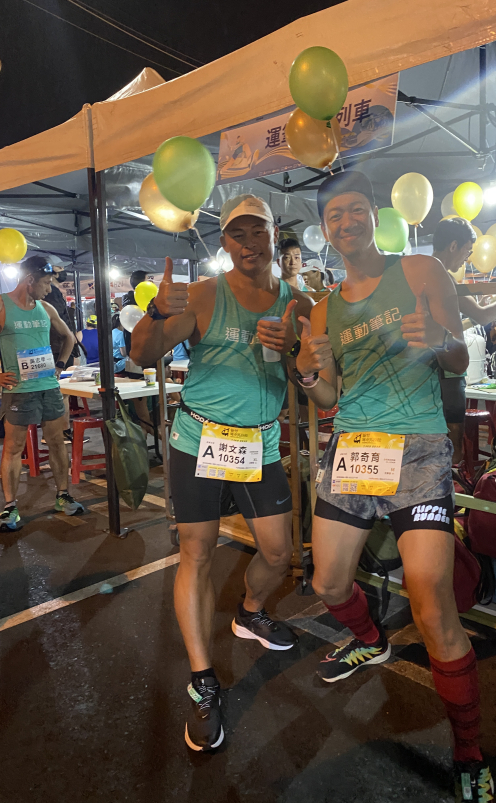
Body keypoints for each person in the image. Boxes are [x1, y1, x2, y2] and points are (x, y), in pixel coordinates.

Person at [289, 172, 494, 802]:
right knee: (328, 583)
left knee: (431, 601)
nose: (345, 222)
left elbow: (460, 359)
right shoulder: (323, 308)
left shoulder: (423, 270)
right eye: (334, 216)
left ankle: (469, 751)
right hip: (353, 447)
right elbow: (330, 394)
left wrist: (439, 341)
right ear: (325, 230)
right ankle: (371, 640)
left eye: (355, 210)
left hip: (419, 450)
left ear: (374, 214)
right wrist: (306, 373)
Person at [130, 193, 313, 752]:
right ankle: (202, 680)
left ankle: (250, 613)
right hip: (199, 439)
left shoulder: (301, 302)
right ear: (224, 242)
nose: (249, 243)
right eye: (238, 234)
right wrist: (156, 313)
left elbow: (316, 374)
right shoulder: (204, 294)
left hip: (259, 443)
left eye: (258, 231)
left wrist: (297, 347)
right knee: (197, 554)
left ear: (274, 234)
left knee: (278, 554)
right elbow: (143, 355)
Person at [0, 255, 85, 530]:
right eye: (46, 283)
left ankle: (63, 495)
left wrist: (60, 366)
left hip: (48, 387)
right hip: (19, 390)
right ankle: (10, 507)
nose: (49, 289)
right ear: (30, 280)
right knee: (13, 447)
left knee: (57, 441)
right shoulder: (2, 306)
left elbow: (69, 337)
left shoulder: (46, 308)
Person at [433, 218, 496, 463]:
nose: (467, 259)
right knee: (452, 434)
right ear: (453, 246)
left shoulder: (416, 274)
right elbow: (483, 316)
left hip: (423, 370)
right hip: (446, 371)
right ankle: (452, 478)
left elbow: (454, 323)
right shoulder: (442, 277)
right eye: (467, 251)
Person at [44, 263, 80, 443]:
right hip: (58, 350)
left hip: (57, 349)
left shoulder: (51, 294)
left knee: (61, 391)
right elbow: (62, 324)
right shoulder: (52, 293)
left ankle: (56, 433)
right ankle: (61, 432)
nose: (63, 271)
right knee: (62, 391)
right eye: (59, 269)